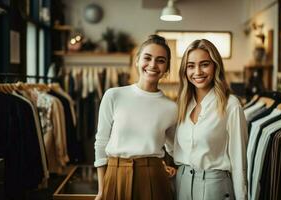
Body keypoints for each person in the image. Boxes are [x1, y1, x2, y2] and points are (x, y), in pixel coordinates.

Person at [94, 35, 177, 200]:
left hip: (153, 178)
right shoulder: (113, 95)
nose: (153, 65)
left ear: (167, 68)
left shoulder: (171, 107)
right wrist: (102, 190)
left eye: (161, 60)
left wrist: (168, 166)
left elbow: (174, 147)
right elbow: (101, 142)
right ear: (137, 61)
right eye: (147, 58)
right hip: (115, 174)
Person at [174, 39, 248, 200]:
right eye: (191, 66)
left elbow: (239, 162)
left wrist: (242, 197)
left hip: (215, 187)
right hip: (182, 183)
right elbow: (172, 144)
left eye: (204, 64)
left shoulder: (231, 105)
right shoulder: (182, 104)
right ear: (184, 71)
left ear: (216, 66)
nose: (197, 71)